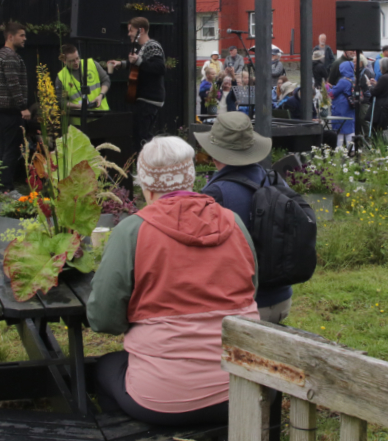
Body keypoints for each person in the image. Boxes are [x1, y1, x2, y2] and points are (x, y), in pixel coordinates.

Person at [87, 135, 259, 425]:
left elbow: (104, 319)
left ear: (145, 184)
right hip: (243, 388)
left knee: (105, 368)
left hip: (165, 399)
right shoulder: (234, 223)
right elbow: (251, 290)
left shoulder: (132, 231)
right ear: (190, 177)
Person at [196, 112, 291, 324]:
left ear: (214, 153)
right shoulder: (275, 180)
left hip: (243, 305)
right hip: (282, 296)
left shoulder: (216, 194)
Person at [107, 16, 166, 148]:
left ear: (141, 30)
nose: (129, 34)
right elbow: (140, 66)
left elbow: (159, 68)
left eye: (131, 30)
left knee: (142, 137)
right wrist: (121, 64)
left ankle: (148, 158)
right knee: (140, 135)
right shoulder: (144, 47)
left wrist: (138, 61)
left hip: (149, 99)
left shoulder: (152, 46)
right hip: (144, 98)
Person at [0, 21, 30, 193]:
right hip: (10, 110)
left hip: (0, 109)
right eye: (21, 35)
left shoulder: (0, 55)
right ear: (10, 37)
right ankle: (6, 188)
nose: (24, 38)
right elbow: (13, 84)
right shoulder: (10, 56)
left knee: (2, 148)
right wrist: (23, 107)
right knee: (12, 149)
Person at [56, 44, 110, 123]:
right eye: (72, 61)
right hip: (79, 120)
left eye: (77, 58)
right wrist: (78, 106)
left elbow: (106, 80)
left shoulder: (92, 64)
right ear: (64, 61)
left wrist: (101, 95)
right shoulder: (61, 77)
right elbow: (61, 101)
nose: (76, 62)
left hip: (101, 114)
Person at [329, 60, 357, 147]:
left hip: (341, 108)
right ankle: (351, 149)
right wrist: (334, 87)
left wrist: (326, 87)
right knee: (349, 129)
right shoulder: (354, 79)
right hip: (350, 108)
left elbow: (332, 93)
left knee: (339, 129)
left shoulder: (343, 81)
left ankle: (339, 149)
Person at [368, 57, 388, 135]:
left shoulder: (384, 77)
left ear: (383, 67)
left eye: (380, 66)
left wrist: (369, 86)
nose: (379, 68)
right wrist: (377, 84)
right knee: (379, 130)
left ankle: (375, 142)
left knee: (375, 129)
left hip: (381, 106)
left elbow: (375, 92)